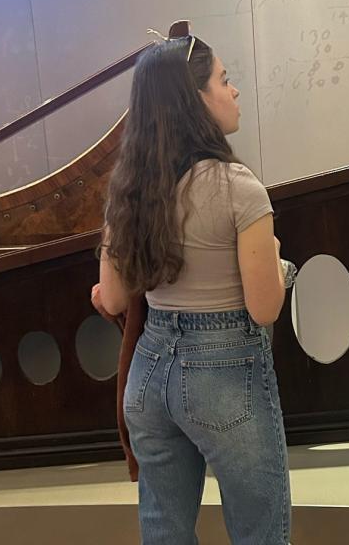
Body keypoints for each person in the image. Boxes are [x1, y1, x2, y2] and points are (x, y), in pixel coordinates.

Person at [95, 32, 291, 545]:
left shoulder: (130, 192)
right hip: (224, 374)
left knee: (164, 530)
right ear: (195, 100)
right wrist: (275, 261)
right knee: (259, 531)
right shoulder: (239, 188)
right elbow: (265, 307)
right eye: (224, 81)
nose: (234, 91)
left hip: (149, 371)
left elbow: (112, 299)